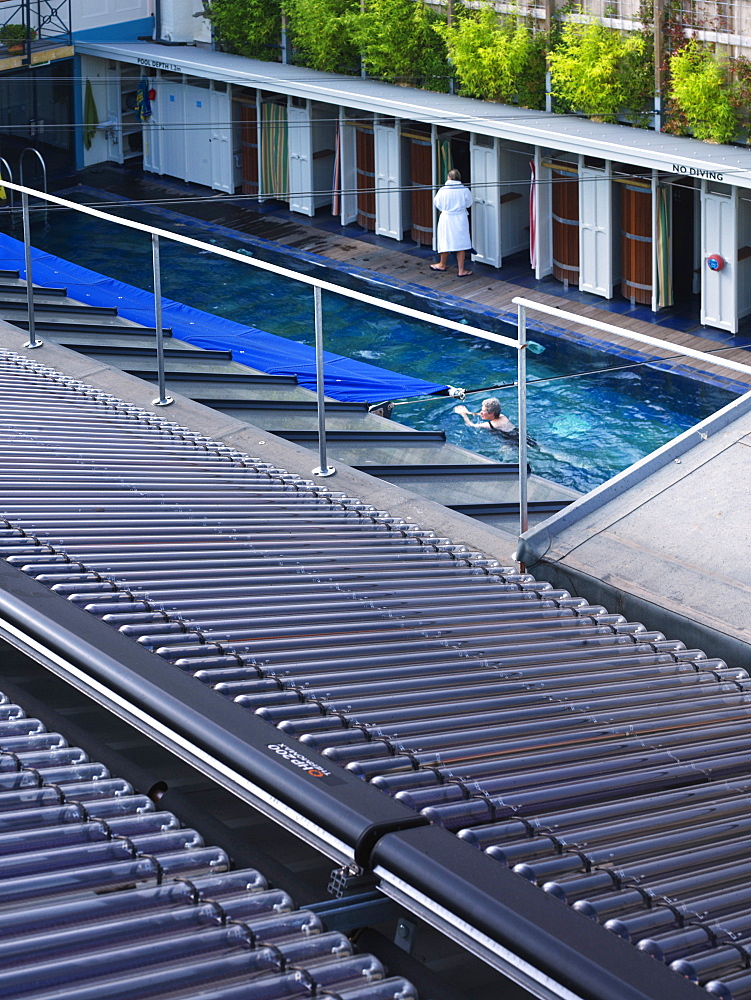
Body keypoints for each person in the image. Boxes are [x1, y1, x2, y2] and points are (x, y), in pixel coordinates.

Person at [431, 169, 473, 277]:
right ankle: (461, 270)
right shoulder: (464, 190)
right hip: (460, 217)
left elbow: (437, 203)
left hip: (446, 217)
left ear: (449, 177)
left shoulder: (442, 190)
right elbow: (469, 203)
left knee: (445, 241)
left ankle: (442, 264)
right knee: (461, 243)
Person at [454, 397, 537, 446]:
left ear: (492, 414)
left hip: (513, 441)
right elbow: (481, 414)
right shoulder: (502, 416)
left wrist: (463, 414)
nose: (481, 412)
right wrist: (468, 412)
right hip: (521, 435)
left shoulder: (492, 424)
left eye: (483, 411)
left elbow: (470, 425)